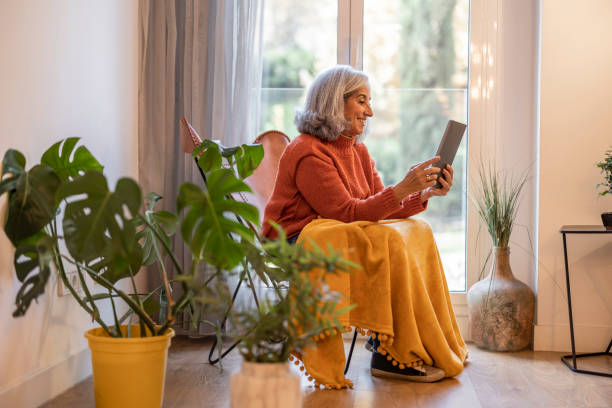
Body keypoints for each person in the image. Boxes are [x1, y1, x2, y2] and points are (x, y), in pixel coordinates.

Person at [262, 65, 466, 385]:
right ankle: (389, 354)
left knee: (419, 231)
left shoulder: (357, 149)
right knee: (389, 242)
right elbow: (345, 212)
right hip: (297, 239)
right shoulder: (306, 150)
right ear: (334, 101)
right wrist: (401, 188)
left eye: (369, 102)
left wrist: (424, 192)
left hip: (337, 229)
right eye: (361, 101)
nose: (369, 111)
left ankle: (396, 345)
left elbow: (376, 208)